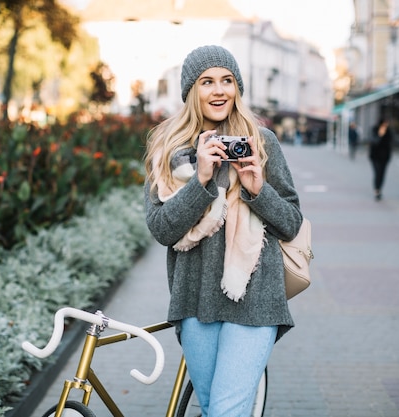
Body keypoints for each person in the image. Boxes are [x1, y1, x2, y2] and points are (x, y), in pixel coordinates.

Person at [143, 45, 303, 416]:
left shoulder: (261, 143)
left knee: (225, 411)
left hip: (256, 298)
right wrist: (200, 179)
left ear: (238, 88)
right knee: (214, 407)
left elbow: (291, 221)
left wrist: (257, 190)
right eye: (207, 82)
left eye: (227, 81)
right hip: (194, 300)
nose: (219, 91)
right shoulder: (168, 149)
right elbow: (162, 229)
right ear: (190, 91)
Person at [368, 118, 393, 201]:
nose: (385, 126)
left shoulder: (388, 132)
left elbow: (394, 140)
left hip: (385, 157)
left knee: (382, 174)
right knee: (377, 173)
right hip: (375, 156)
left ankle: (379, 189)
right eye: (384, 124)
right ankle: (376, 190)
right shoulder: (374, 130)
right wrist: (380, 135)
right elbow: (374, 142)